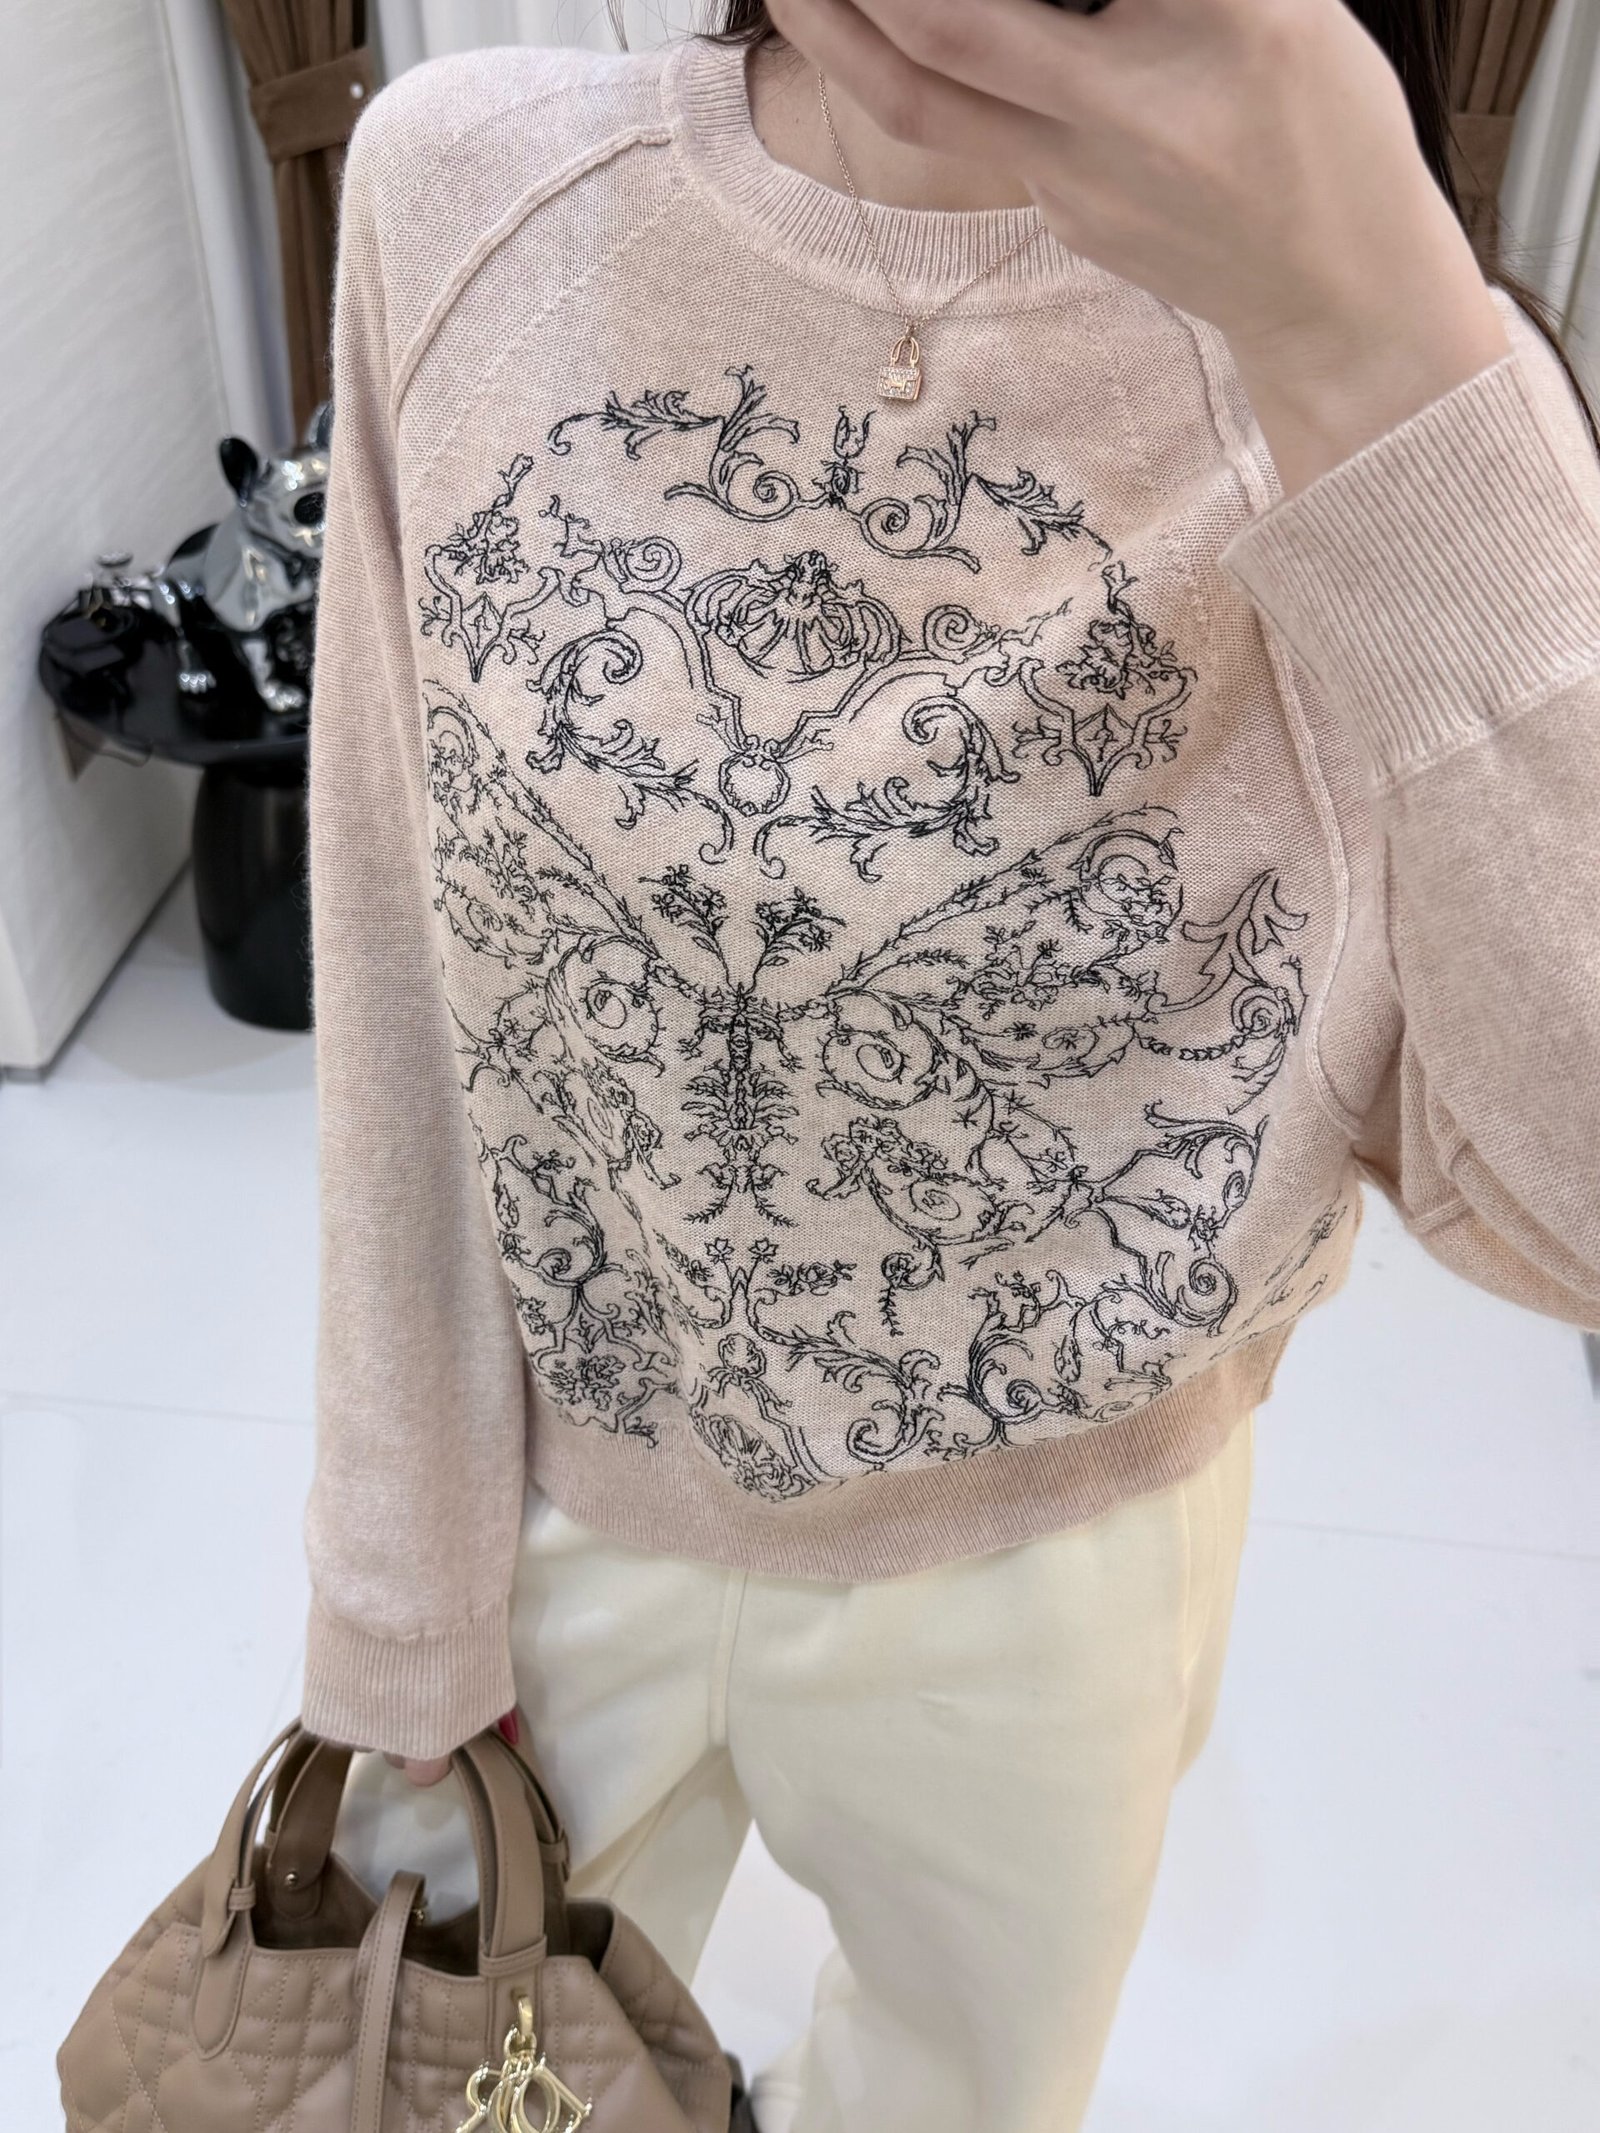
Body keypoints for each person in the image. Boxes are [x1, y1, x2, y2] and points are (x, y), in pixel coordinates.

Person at [299, 4, 1600, 2127]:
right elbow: (396, 943)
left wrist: (1383, 353)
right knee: (443, 2082)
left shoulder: (1355, 358)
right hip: (556, 1503)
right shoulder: (468, 193)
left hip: (1058, 1574)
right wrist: (395, 1581)